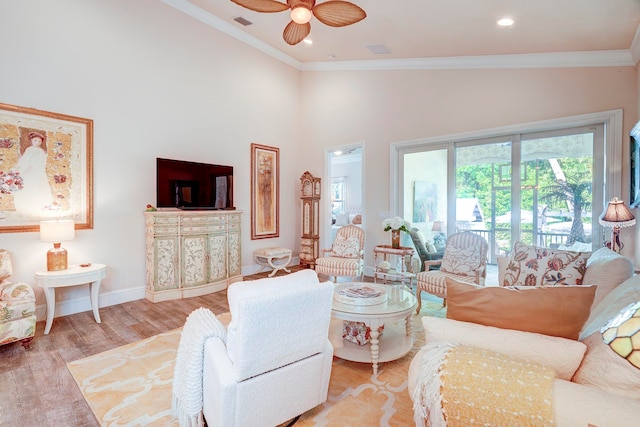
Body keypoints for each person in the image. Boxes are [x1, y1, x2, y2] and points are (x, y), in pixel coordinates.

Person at [12, 131, 52, 217]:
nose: (37, 143)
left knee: (34, 190)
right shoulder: (29, 149)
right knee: (25, 191)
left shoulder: (41, 152)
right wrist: (17, 170)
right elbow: (23, 162)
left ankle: (34, 210)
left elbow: (33, 165)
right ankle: (25, 210)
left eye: (39, 141)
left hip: (34, 174)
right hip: (27, 173)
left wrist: (23, 173)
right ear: (32, 140)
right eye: (35, 140)